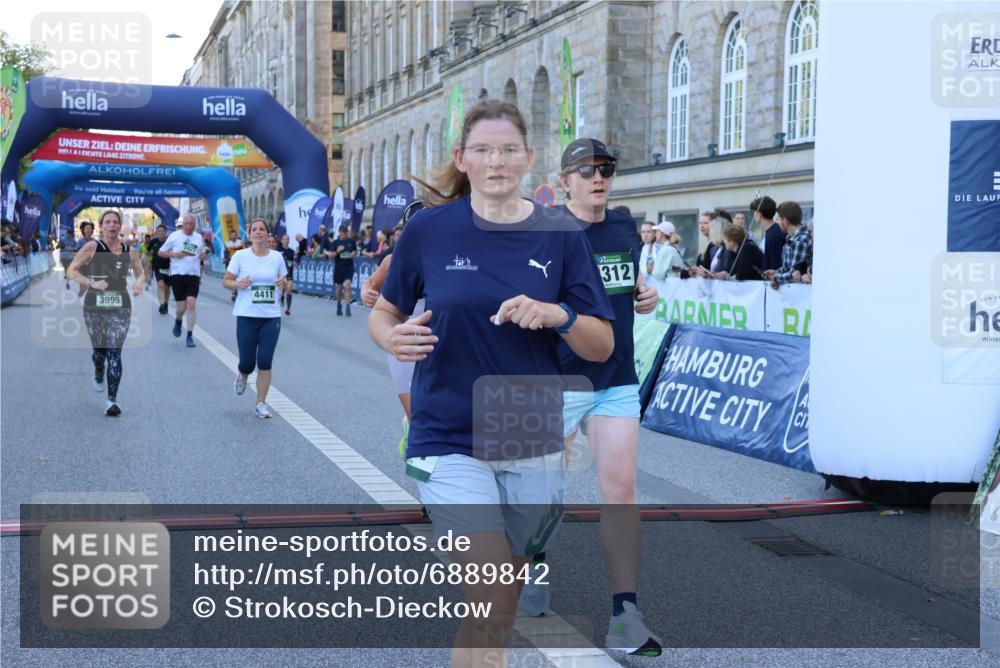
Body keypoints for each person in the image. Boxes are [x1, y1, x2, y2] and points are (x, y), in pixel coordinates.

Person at [369, 99, 614, 668]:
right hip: (448, 432)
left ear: (528, 158)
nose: (495, 160)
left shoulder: (560, 235)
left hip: (528, 431)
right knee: (493, 588)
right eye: (482, 149)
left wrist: (560, 317)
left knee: (498, 607)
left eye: (508, 149)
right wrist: (392, 337)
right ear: (462, 158)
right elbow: (384, 311)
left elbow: (600, 343)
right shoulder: (430, 229)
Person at [517, 137, 662, 656]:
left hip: (617, 380)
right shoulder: (548, 230)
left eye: (606, 169)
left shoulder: (624, 227)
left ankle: (625, 613)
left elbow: (630, 282)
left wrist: (645, 292)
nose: (598, 177)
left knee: (620, 491)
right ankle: (535, 564)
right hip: (558, 379)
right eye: (586, 170)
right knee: (541, 494)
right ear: (565, 181)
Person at [362, 201, 426, 458]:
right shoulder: (393, 260)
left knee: (438, 424)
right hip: (403, 346)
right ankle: (413, 433)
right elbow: (370, 285)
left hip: (439, 343)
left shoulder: (450, 259)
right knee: (418, 421)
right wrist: (368, 293)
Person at [66, 210, 144, 417]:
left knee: (115, 352)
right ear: (102, 226)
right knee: (99, 352)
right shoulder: (92, 247)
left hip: (120, 305)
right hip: (94, 305)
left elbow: (140, 272)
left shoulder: (129, 250)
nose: (112, 225)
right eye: (108, 222)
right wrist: (91, 282)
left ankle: (111, 401)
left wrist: (138, 283)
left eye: (115, 222)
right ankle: (99, 369)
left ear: (120, 226)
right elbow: (71, 271)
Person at [222, 218, 289, 419]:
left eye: (262, 229)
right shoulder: (241, 256)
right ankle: (243, 374)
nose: (258, 232)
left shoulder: (277, 257)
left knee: (265, 360)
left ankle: (261, 403)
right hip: (246, 315)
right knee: (247, 362)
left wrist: (282, 282)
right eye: (254, 229)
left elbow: (284, 281)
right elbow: (226, 281)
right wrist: (238, 284)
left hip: (270, 316)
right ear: (249, 234)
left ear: (268, 234)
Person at [158, 214, 206, 348]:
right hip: (177, 275)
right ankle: (178, 320)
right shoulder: (174, 236)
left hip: (193, 275)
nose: (189, 226)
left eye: (191, 224)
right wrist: (174, 254)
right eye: (187, 224)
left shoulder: (198, 237)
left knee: (191, 304)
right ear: (182, 224)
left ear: (194, 225)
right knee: (181, 308)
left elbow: (201, 254)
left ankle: (190, 336)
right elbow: (161, 252)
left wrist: (203, 256)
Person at [763, 201, 811, 289]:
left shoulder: (800, 240)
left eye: (778, 219)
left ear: (785, 221)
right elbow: (789, 268)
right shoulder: (792, 238)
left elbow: (794, 274)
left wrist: (776, 277)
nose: (776, 223)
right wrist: (776, 272)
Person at [326, 224, 357, 316]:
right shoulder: (335, 243)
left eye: (345, 232)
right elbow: (331, 255)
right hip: (339, 268)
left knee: (348, 286)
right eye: (342, 232)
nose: (344, 233)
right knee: (339, 288)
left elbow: (355, 251)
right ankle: (339, 304)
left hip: (349, 267)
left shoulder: (351, 241)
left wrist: (353, 254)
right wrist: (337, 251)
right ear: (339, 233)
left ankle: (347, 307)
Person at [751, 196, 786, 272]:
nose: (753, 215)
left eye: (754, 212)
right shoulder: (771, 231)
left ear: (759, 214)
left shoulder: (774, 235)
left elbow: (775, 266)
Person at [147, 224, 171, 314]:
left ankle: (166, 303)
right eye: (159, 231)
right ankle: (161, 305)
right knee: (160, 285)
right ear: (157, 232)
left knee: (167, 289)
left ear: (166, 232)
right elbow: (147, 252)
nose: (161, 233)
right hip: (157, 267)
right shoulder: (154, 241)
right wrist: (148, 261)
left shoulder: (170, 241)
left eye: (163, 231)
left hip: (169, 268)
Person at [279, 234, 296, 315]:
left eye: (287, 239)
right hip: (280, 274)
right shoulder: (278, 250)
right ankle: (282, 295)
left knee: (289, 290)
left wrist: (295, 263)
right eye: (284, 239)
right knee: (283, 288)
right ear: (282, 241)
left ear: (289, 241)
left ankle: (288, 309)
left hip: (289, 273)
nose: (286, 241)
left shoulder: (292, 251)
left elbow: (293, 262)